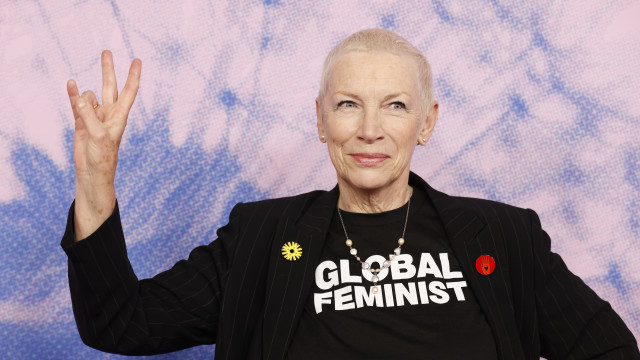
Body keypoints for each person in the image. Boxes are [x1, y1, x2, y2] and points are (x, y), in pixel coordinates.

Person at [61, 29, 639, 359]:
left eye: (395, 105)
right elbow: (121, 323)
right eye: (347, 105)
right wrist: (95, 178)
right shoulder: (261, 239)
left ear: (426, 122)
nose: (369, 130)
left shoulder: (505, 237)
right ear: (320, 119)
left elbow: (609, 351)